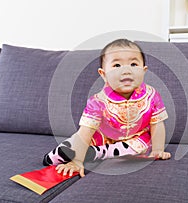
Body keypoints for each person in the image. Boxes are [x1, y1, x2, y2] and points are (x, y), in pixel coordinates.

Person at [43, 39, 171, 177]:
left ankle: (96, 153)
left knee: (138, 148)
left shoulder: (151, 95)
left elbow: (157, 123)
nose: (126, 70)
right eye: (117, 65)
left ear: (144, 71)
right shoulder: (97, 102)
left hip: (135, 138)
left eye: (133, 64)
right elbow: (86, 131)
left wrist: (158, 149)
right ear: (103, 74)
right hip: (102, 136)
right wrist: (77, 161)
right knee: (73, 144)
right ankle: (66, 152)